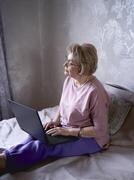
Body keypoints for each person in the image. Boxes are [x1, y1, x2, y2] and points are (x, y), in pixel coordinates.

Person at [0, 43, 110, 173]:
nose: (65, 65)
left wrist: (68, 131)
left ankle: (6, 163)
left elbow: (99, 130)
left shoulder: (96, 92)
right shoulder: (70, 81)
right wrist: (55, 121)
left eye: (69, 63)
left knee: (44, 146)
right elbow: (63, 105)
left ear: (82, 68)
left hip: (91, 139)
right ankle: (5, 156)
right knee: (35, 136)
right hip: (67, 129)